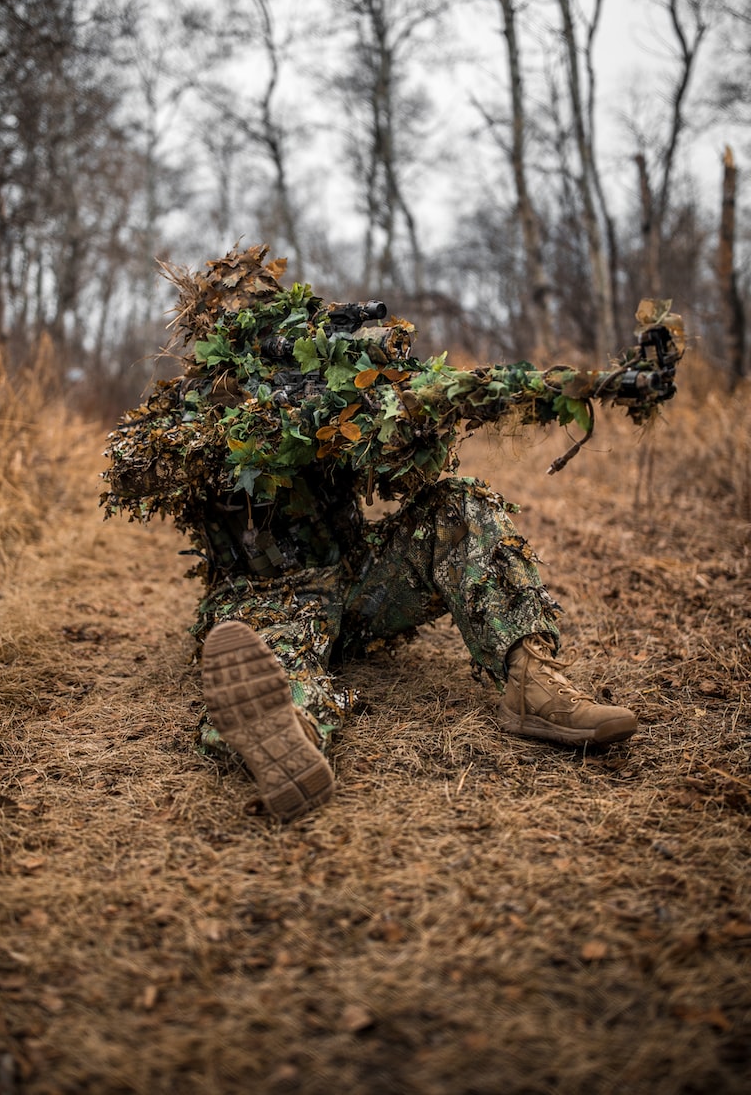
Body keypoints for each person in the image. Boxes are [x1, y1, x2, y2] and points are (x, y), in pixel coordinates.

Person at [102, 243, 683, 821]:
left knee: (461, 503)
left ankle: (533, 686)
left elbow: (464, 392)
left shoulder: (332, 391)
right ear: (212, 333)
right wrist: (256, 429)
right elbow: (129, 469)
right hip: (260, 603)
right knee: (268, 668)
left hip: (360, 586)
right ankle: (289, 738)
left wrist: (605, 384)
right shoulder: (184, 409)